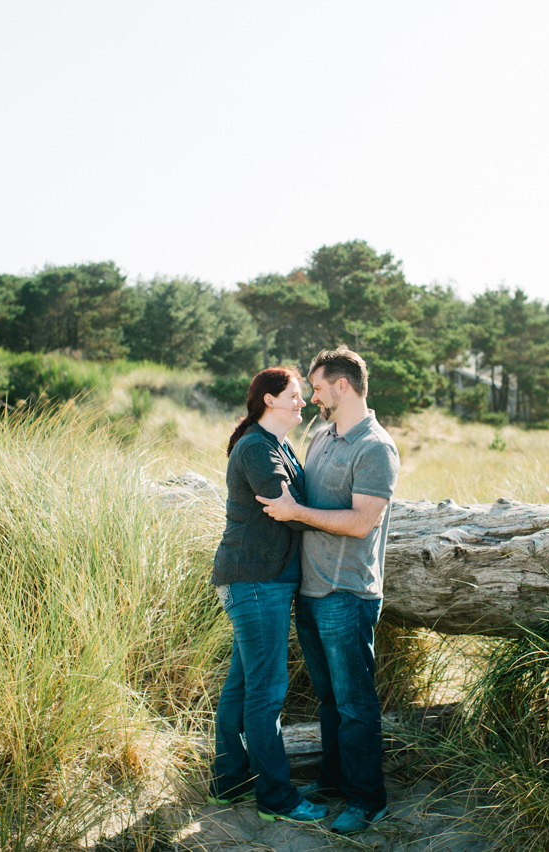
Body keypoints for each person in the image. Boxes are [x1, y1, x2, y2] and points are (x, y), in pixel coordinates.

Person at [256, 346, 400, 836]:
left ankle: (367, 801)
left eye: (317, 388)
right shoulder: (321, 435)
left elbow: (362, 523)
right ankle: (337, 782)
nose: (312, 397)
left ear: (342, 386)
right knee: (329, 700)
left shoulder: (375, 447)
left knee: (356, 704)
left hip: (348, 592)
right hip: (311, 590)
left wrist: (296, 513)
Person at [207, 367, 329, 824]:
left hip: (262, 580)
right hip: (255, 581)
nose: (303, 403)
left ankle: (230, 782)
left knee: (243, 685)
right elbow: (288, 513)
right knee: (266, 691)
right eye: (295, 396)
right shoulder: (258, 448)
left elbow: (294, 506)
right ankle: (276, 798)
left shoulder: (276, 444)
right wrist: (351, 516)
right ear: (269, 400)